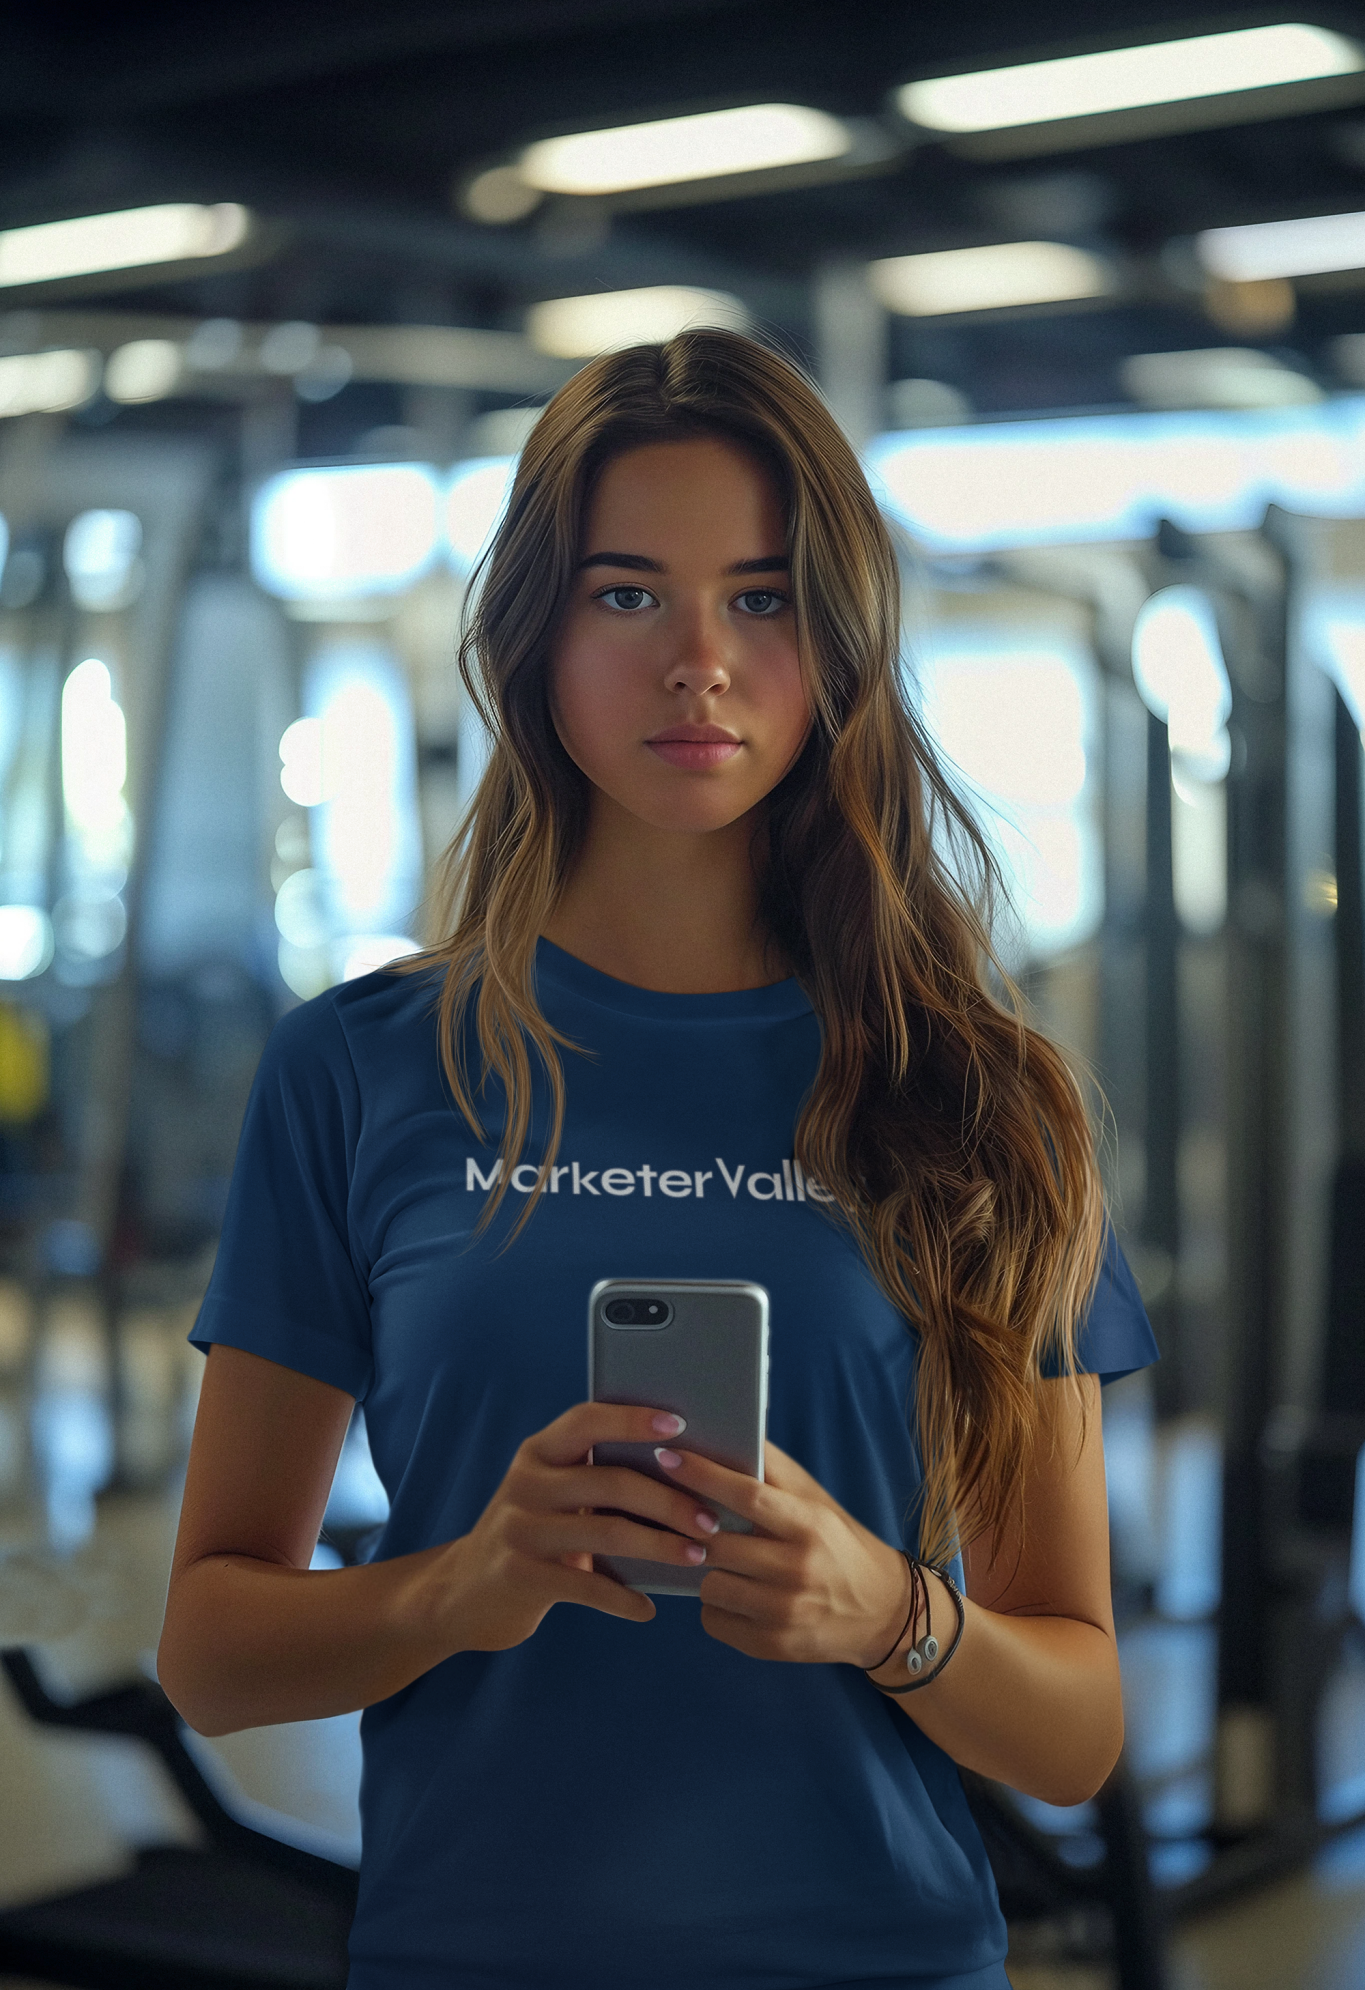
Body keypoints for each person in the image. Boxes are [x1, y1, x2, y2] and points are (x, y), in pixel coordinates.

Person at [158, 329, 1157, 1990]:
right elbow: (210, 1651)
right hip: (471, 1956)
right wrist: (461, 1587)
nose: (698, 659)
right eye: (628, 595)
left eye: (760, 597)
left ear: (837, 642)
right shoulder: (359, 1069)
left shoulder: (986, 1100)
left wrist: (892, 1615)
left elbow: (1074, 1733)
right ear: (535, 636)